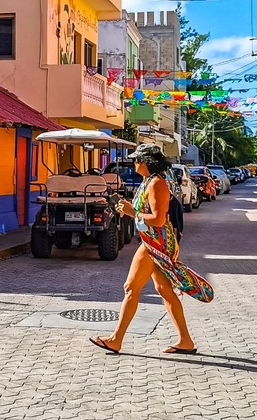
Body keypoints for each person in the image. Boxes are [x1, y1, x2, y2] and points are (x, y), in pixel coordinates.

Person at [89, 144, 214, 355]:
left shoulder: (157, 183)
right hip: (153, 241)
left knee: (131, 287)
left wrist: (132, 213)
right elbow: (144, 212)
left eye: (137, 159)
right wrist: (128, 208)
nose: (134, 163)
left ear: (146, 162)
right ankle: (185, 340)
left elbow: (157, 219)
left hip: (156, 243)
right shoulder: (148, 181)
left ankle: (116, 339)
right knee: (164, 289)